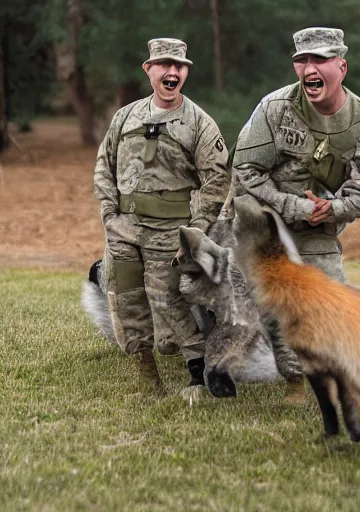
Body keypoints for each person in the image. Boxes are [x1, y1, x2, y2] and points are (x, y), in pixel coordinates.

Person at [93, 38, 230, 394]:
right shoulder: (126, 117)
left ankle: (197, 374)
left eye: (179, 66)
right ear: (149, 70)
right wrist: (109, 214)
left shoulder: (199, 123)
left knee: (168, 301)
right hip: (123, 228)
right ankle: (147, 375)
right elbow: (103, 167)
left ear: (185, 72)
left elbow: (216, 180)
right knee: (128, 299)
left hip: (170, 231)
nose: (172, 72)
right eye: (164, 65)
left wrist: (195, 231)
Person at [232, 27, 360, 282]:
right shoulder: (275, 109)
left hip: (316, 235)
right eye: (302, 61)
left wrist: (338, 208)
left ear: (342, 67)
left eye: (321, 59)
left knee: (330, 313)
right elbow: (245, 170)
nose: (309, 69)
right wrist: (294, 207)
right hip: (260, 229)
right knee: (254, 315)